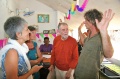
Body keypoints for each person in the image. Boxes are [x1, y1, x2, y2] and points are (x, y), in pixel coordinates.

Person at [74, 9, 114, 79]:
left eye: (86, 20)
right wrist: (79, 30)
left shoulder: (102, 37)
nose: (84, 22)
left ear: (91, 21)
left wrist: (104, 31)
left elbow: (109, 54)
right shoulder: (89, 35)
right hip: (78, 74)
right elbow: (84, 43)